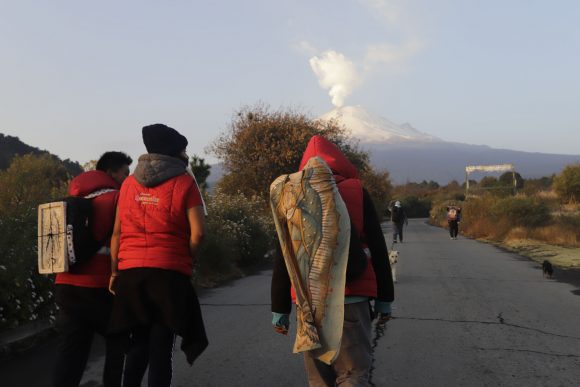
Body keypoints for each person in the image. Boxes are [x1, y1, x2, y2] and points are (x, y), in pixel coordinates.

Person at [271, 135, 394, 386]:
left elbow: (285, 254)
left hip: (309, 304)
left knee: (319, 377)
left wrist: (279, 308)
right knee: (353, 372)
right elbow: (379, 249)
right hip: (352, 297)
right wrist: (385, 300)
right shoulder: (357, 191)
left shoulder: (291, 194)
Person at [108, 124, 208, 387]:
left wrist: (115, 271)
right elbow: (198, 233)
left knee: (138, 345)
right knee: (161, 350)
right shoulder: (185, 181)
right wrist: (186, 258)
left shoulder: (128, 184)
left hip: (130, 276)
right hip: (168, 276)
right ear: (175, 151)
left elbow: (117, 233)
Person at [52, 151, 132, 387]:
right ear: (110, 173)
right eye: (124, 173)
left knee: (72, 353)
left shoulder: (72, 201)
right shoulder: (117, 199)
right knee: (119, 341)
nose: (127, 179)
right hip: (99, 288)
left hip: (65, 287)